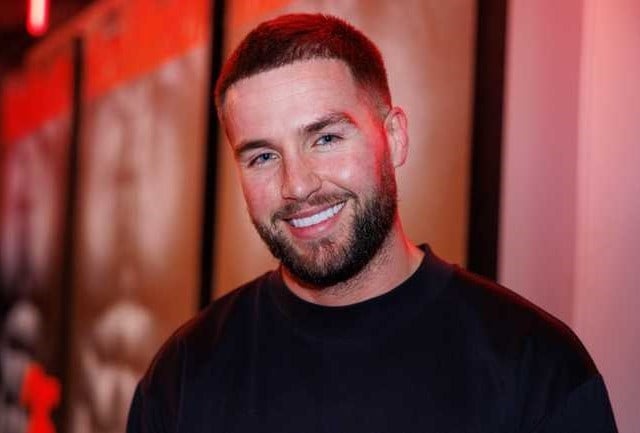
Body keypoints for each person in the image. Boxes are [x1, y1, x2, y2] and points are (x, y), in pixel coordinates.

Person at [127, 13, 618, 432]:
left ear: (395, 137)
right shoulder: (184, 375)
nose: (296, 185)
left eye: (326, 139)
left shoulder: (534, 367)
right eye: (262, 157)